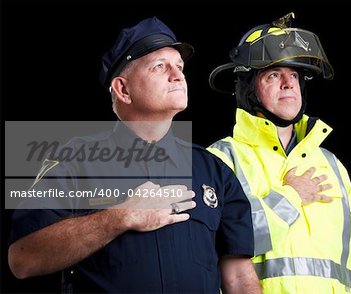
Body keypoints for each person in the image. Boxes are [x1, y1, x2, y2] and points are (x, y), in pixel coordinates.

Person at [7, 16, 261, 293]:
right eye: (160, 67)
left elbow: (238, 277)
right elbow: (22, 259)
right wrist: (123, 216)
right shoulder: (71, 161)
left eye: (179, 67)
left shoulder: (215, 171)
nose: (178, 75)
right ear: (123, 89)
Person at [207, 12, 351, 293]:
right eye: (274, 75)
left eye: (295, 75)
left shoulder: (332, 165)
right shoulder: (221, 159)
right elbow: (221, 241)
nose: (288, 84)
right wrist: (291, 197)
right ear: (248, 88)